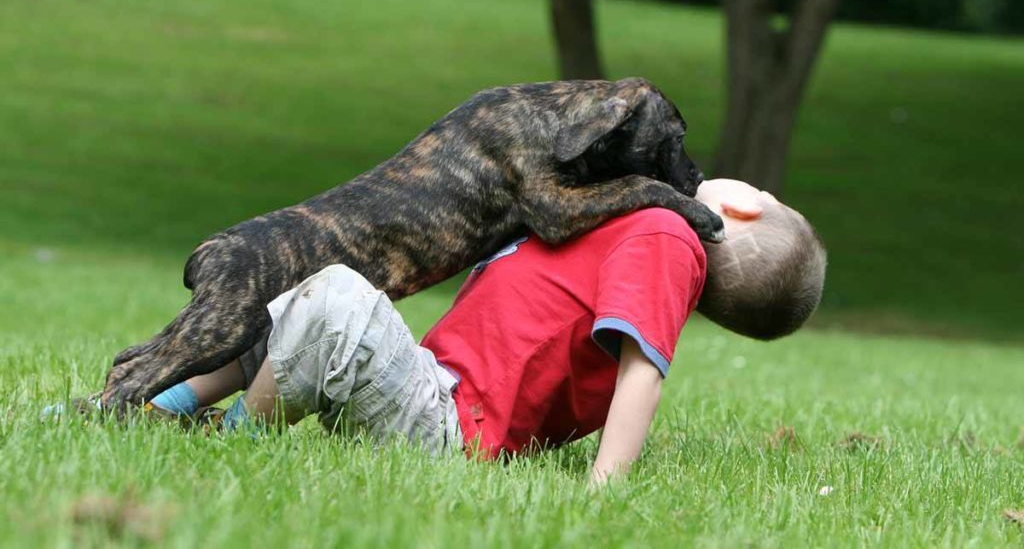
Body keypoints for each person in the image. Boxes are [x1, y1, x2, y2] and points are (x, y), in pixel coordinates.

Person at [53, 179, 826, 484]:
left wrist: (605, 490)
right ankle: (154, 404)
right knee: (295, 290)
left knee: (336, 301)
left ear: (747, 207)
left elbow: (642, 369)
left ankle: (234, 434)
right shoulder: (639, 223)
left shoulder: (671, 238)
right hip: (434, 385)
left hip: (452, 425)